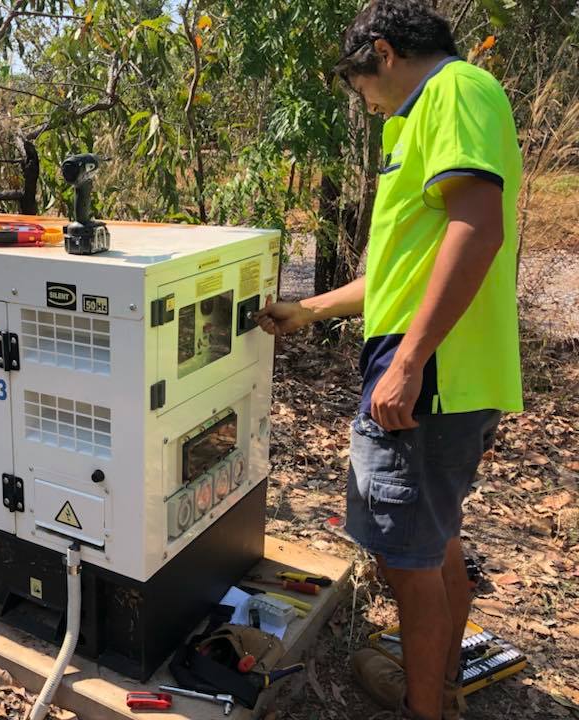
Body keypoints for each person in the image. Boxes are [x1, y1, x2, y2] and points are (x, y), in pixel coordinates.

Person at [256, 2, 523, 719]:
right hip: (439, 371)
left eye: (358, 84)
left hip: (432, 376)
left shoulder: (455, 91)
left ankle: (423, 707)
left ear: (381, 51)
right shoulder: (424, 117)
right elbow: (401, 271)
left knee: (405, 560)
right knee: (433, 543)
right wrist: (309, 310)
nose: (363, 102)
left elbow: (477, 228)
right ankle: (431, 680)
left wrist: (409, 362)